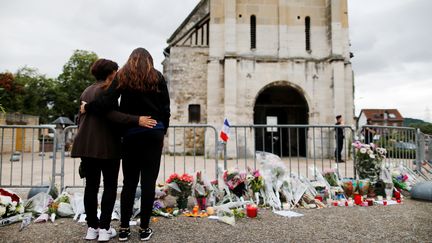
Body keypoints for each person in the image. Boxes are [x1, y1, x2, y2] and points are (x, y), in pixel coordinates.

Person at [82, 48, 170, 241]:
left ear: (131, 60)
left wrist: (88, 107)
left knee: (129, 182)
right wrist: (162, 130)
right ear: (150, 60)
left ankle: (123, 228)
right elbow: (166, 108)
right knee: (148, 183)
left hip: (131, 133)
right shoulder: (157, 76)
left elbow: (106, 102)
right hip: (154, 132)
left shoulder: (123, 75)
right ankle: (144, 229)